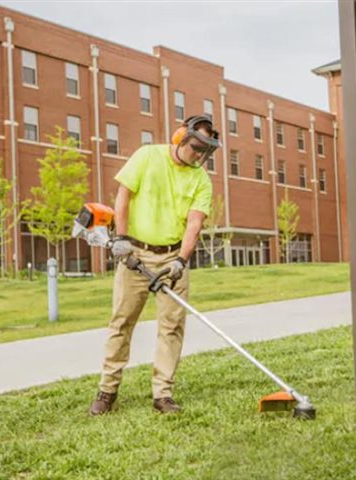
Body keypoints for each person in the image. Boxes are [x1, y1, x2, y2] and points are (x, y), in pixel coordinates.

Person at [89, 115, 219, 415]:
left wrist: (180, 262)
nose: (199, 155)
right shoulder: (148, 156)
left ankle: (163, 393)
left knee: (172, 326)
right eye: (196, 147)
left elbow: (194, 225)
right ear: (180, 138)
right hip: (134, 251)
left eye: (205, 151)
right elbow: (123, 197)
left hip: (173, 257)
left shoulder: (201, 180)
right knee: (121, 322)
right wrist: (121, 239)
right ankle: (107, 390)